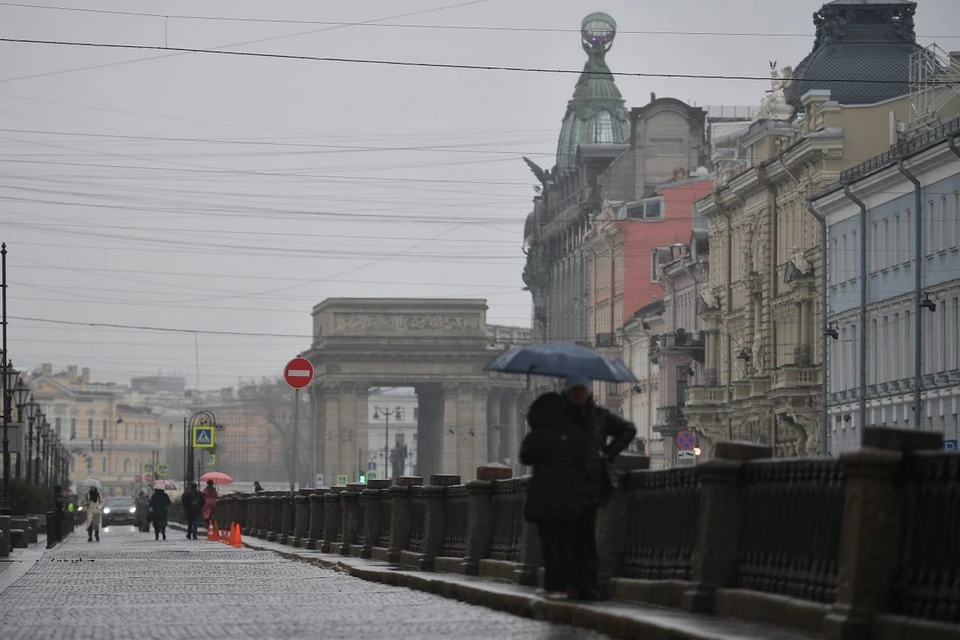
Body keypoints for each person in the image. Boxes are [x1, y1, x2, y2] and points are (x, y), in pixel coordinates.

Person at [524, 374, 636, 601]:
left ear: (588, 392)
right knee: (568, 539)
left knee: (585, 538)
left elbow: (627, 430)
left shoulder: (598, 416)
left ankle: (588, 584)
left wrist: (607, 455)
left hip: (589, 486)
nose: (578, 394)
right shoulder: (557, 418)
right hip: (562, 489)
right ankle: (571, 583)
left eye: (582, 390)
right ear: (567, 391)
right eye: (574, 390)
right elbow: (530, 453)